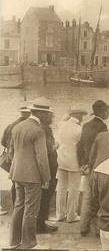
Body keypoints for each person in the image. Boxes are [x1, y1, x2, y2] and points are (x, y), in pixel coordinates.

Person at [8, 97, 52, 249]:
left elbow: (11, 153)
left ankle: (14, 242)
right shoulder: (38, 130)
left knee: (19, 206)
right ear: (40, 113)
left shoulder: (17, 127)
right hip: (32, 177)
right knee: (31, 210)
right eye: (47, 114)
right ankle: (29, 243)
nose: (49, 116)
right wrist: (46, 178)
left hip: (16, 173)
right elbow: (42, 158)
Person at [78, 100, 109, 236]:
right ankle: (98, 229)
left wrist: (83, 164)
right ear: (102, 112)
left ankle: (83, 227)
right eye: (107, 110)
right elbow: (102, 149)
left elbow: (79, 146)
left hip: (87, 167)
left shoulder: (85, 126)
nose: (108, 113)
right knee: (98, 198)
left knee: (87, 197)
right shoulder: (102, 127)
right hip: (98, 166)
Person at [55, 109, 88, 223]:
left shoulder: (61, 125)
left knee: (61, 188)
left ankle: (60, 214)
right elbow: (82, 146)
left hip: (61, 160)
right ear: (79, 116)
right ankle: (71, 215)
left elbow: (62, 120)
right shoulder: (79, 129)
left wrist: (67, 115)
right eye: (82, 115)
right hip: (74, 162)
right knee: (74, 189)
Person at [1, 105, 31, 209]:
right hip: (22, 161)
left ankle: (15, 207)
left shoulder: (10, 125)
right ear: (28, 113)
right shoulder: (27, 126)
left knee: (15, 184)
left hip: (10, 160)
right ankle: (22, 208)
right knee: (25, 186)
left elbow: (3, 142)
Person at [37, 110, 59, 234]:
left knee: (45, 196)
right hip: (48, 168)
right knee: (45, 196)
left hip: (49, 167)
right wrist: (57, 145)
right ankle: (41, 225)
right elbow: (47, 148)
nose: (52, 117)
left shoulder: (43, 128)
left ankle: (42, 222)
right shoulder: (44, 129)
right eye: (50, 115)